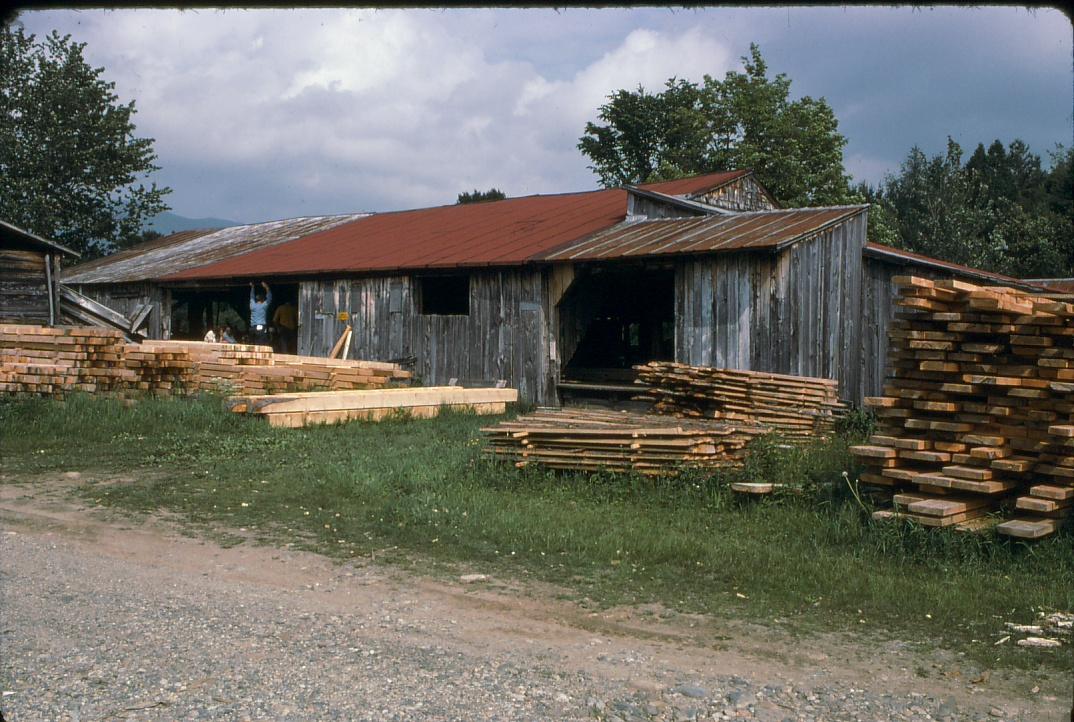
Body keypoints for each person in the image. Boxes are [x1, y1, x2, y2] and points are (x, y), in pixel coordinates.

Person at [249, 281, 272, 346]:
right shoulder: (264, 305)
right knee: (261, 344)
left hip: (252, 327)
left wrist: (252, 287)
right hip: (261, 327)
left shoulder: (252, 305)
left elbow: (251, 297)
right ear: (263, 300)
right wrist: (266, 287)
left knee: (252, 344)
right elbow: (269, 297)